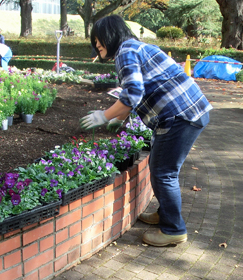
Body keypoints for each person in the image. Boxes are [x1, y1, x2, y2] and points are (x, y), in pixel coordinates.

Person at [80, 15, 212, 247]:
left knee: (163, 172)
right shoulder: (137, 47)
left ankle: (173, 230)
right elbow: (140, 91)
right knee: (162, 168)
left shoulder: (124, 52)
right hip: (190, 110)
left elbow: (133, 93)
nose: (97, 45)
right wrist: (118, 117)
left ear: (110, 35)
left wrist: (105, 115)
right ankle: (166, 215)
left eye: (99, 39)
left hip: (178, 116)